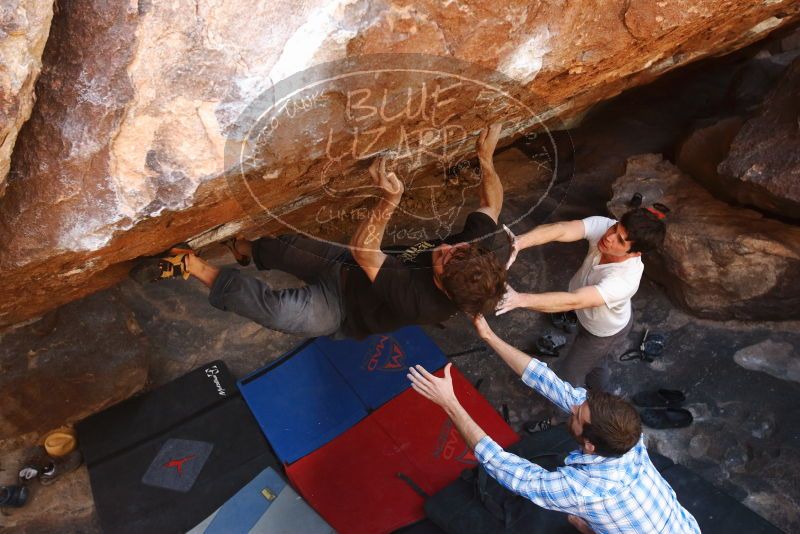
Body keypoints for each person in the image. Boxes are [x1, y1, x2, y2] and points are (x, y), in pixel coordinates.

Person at [134, 124, 507, 339]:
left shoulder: (420, 302)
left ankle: (190, 264)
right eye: (451, 250)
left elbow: (366, 251)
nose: (442, 250)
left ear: (443, 287)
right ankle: (246, 250)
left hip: (343, 310)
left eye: (442, 263)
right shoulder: (473, 253)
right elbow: (492, 203)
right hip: (345, 265)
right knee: (282, 249)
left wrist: (391, 199)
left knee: (280, 313)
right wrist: (486, 158)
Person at [407, 314, 700, 534]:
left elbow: (500, 464)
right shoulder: (630, 439)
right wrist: (489, 336)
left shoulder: (580, 490)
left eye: (576, 416)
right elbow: (550, 384)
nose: (571, 406)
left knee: (576, 520)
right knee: (581, 520)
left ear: (589, 444)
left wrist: (449, 401)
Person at [496, 208, 666, 390]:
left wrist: (519, 299)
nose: (609, 237)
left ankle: (571, 413)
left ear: (635, 253)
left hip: (602, 333)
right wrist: (521, 241)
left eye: (620, 240)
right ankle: (601, 393)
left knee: (570, 373)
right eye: (615, 228)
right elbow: (562, 228)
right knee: (597, 362)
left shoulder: (624, 280)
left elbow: (574, 300)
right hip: (588, 318)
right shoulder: (606, 228)